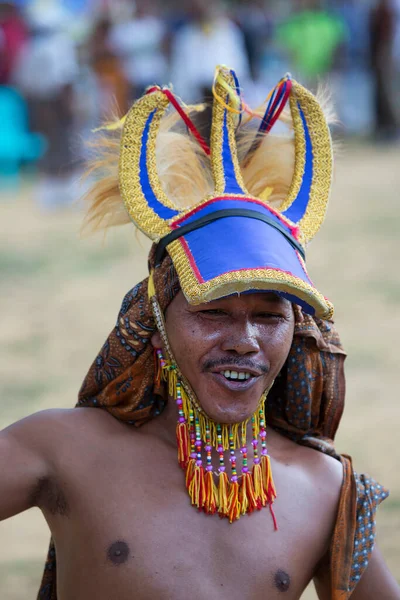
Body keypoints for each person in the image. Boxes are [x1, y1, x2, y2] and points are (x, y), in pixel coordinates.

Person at [1, 66, 399, 600]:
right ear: (158, 323)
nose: (245, 341)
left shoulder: (325, 490)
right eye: (214, 313)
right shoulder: (61, 449)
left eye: (270, 316)